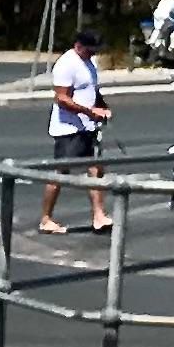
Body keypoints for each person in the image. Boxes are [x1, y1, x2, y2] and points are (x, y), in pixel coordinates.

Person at [41, 28, 112, 234]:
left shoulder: (89, 61)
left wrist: (102, 106)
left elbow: (92, 89)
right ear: (78, 45)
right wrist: (90, 112)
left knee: (96, 168)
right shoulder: (66, 64)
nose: (93, 54)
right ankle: (46, 218)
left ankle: (99, 215)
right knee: (61, 172)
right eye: (89, 50)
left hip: (88, 126)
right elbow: (62, 99)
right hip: (68, 129)